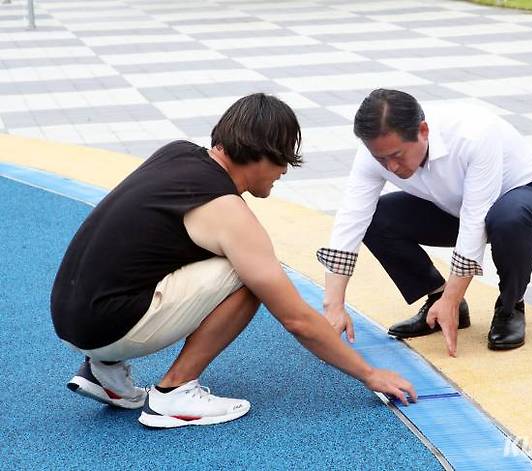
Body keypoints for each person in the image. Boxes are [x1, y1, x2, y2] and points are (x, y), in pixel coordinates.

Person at [51, 93, 416, 429]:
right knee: (248, 272)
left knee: (177, 255)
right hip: (107, 325)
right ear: (262, 153)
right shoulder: (225, 209)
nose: (284, 172)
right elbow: (295, 319)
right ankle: (174, 393)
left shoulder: (176, 154)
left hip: (71, 317)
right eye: (283, 159)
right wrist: (370, 374)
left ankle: (105, 373)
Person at [318, 89, 532, 357]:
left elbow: (475, 220)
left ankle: (510, 306)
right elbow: (351, 219)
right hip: (452, 208)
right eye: (380, 158)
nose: (391, 167)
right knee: (375, 217)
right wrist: (333, 305)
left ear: (423, 130)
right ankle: (435, 296)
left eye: (397, 155)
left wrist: (452, 300)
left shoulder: (474, 132)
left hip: (524, 199)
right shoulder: (373, 153)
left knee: (507, 219)